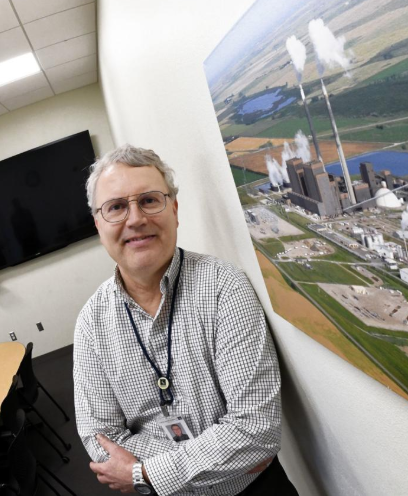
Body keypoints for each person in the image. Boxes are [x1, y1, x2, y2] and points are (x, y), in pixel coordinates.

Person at [73, 145, 297, 495]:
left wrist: (141, 474)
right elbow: (102, 441)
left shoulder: (225, 286)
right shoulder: (90, 324)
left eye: (149, 200)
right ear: (98, 224)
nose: (135, 219)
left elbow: (255, 431)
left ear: (174, 210)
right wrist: (224, 452)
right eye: (116, 207)